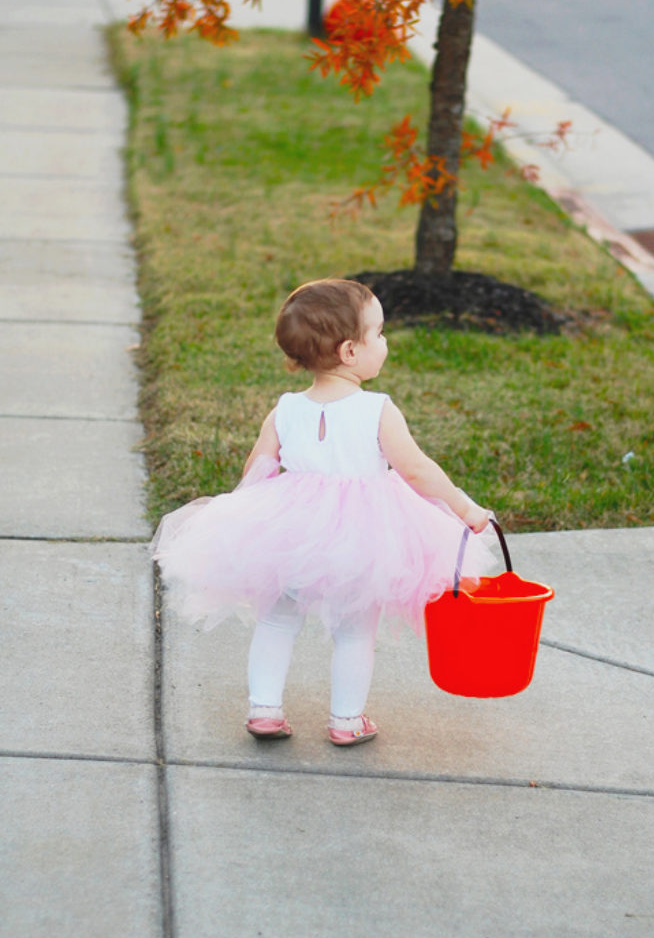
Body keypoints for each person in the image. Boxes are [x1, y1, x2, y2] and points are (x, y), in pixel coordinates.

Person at [151, 278, 495, 747]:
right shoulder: (377, 409)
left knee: (276, 620)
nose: (385, 342)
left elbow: (259, 467)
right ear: (351, 351)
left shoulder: (285, 408)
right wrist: (463, 506)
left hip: (292, 532)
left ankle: (265, 709)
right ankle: (346, 720)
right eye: (379, 333)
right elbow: (415, 469)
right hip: (362, 538)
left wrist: (245, 518)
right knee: (355, 632)